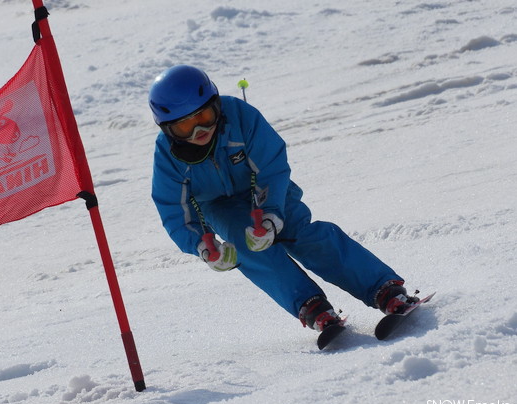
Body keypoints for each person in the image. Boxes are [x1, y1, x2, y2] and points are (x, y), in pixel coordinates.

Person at [148, 64, 418, 335]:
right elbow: (174, 208)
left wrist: (271, 214)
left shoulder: (241, 117)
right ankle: (312, 307)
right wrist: (202, 245)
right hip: (217, 205)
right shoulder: (168, 155)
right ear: (169, 130)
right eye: (185, 127)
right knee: (247, 245)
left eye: (205, 116)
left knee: (301, 233)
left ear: (216, 104)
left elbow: (271, 166)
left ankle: (383, 289)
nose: (199, 132)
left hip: (266, 188)